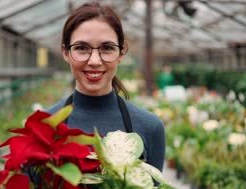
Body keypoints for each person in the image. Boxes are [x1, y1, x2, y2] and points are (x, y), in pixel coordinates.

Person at [47, 2, 165, 171]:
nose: (94, 61)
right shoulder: (43, 126)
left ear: (121, 53)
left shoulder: (149, 127)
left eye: (107, 48)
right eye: (81, 48)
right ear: (66, 53)